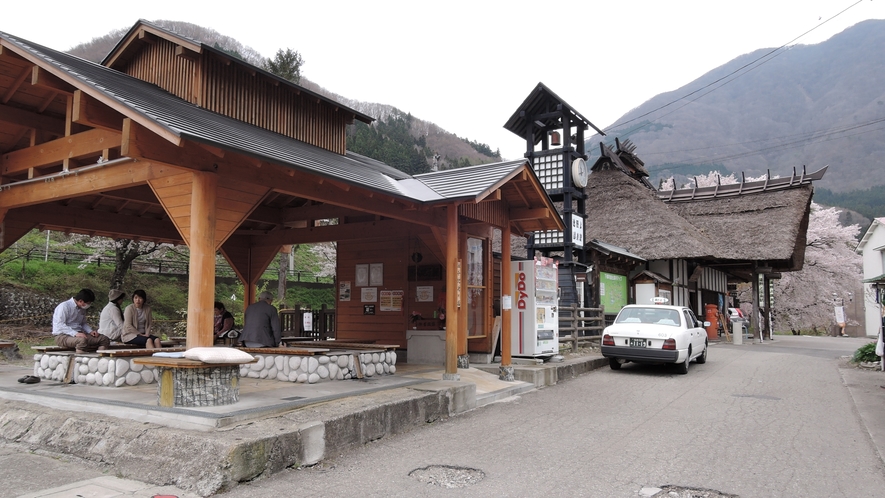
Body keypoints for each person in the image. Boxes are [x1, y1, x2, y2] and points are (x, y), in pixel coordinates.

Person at [52, 288, 110, 353]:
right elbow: (60, 325)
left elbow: (83, 323)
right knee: (82, 341)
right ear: (80, 301)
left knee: (104, 339)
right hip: (63, 336)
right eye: (88, 303)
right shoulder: (64, 306)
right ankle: (80, 356)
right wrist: (75, 333)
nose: (88, 305)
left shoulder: (82, 308)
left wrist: (90, 331)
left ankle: (100, 356)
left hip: (80, 334)